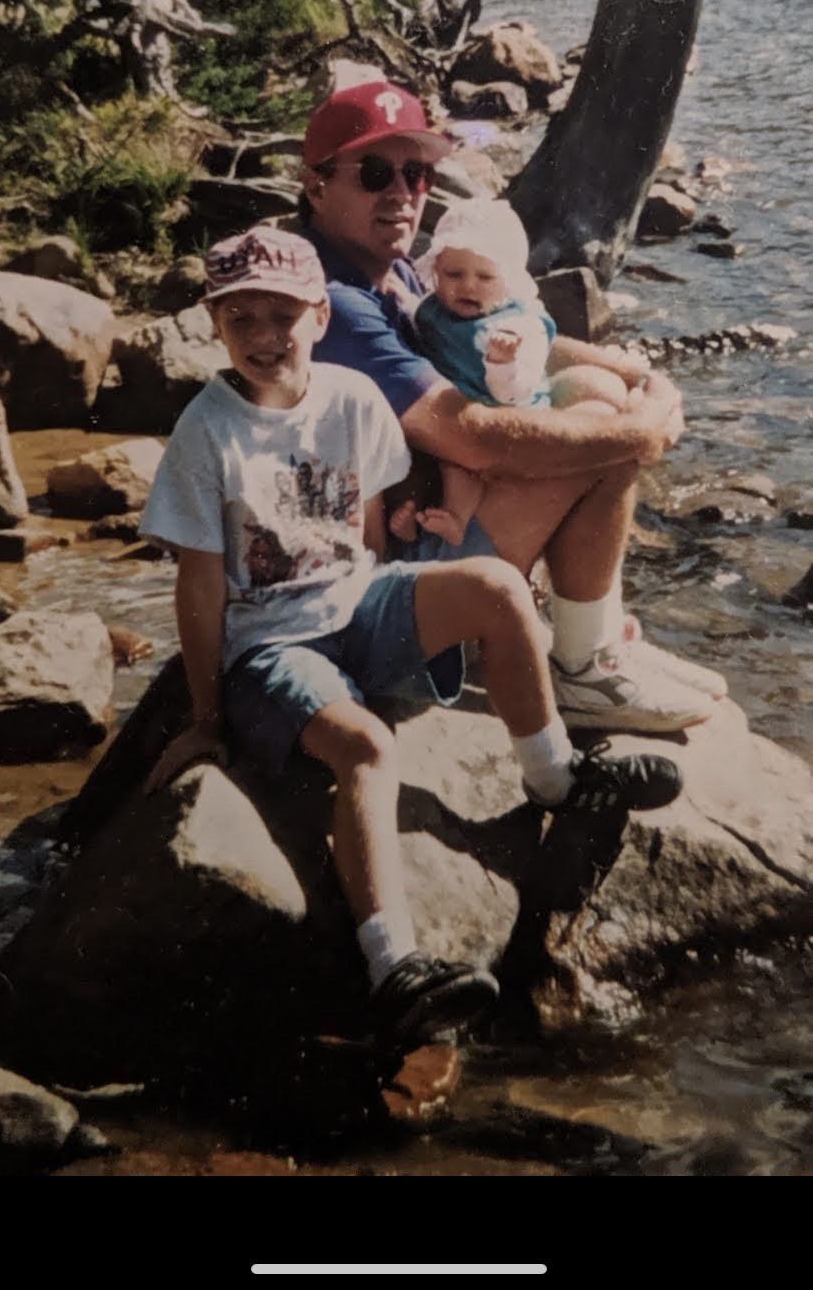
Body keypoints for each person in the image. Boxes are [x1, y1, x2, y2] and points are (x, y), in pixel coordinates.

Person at [140, 224, 683, 1048]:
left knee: (497, 588)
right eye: (239, 318)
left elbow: (363, 528)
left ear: (320, 316)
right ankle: (393, 964)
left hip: (354, 602)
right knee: (365, 748)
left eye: (281, 315)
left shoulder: (351, 399)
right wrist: (207, 717)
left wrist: (406, 584)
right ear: (216, 326)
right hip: (272, 645)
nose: (263, 337)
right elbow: (201, 579)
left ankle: (556, 780)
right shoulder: (205, 432)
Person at [299, 78, 728, 732]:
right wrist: (639, 434)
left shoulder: (400, 272)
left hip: (424, 522)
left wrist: (636, 374)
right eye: (375, 171)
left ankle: (598, 638)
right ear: (316, 183)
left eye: (416, 173)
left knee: (597, 395)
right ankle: (585, 671)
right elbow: (474, 436)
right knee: (603, 442)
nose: (401, 193)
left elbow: (514, 342)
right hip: (384, 592)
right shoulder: (335, 303)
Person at [395, 196, 632, 545]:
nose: (468, 286)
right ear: (436, 272)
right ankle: (416, 524)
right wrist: (402, 295)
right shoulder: (439, 308)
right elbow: (420, 316)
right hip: (458, 411)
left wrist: (503, 363)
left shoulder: (520, 326)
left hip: (507, 413)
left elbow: (514, 392)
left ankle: (456, 522)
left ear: (508, 280)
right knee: (425, 459)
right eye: (454, 274)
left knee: (460, 471)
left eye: (484, 276)